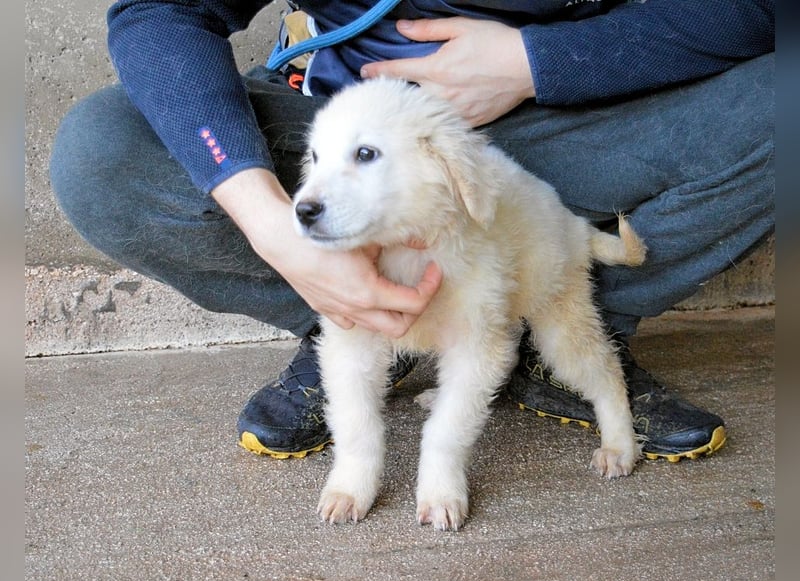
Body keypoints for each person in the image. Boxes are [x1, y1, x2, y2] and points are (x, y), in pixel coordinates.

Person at [50, 0, 774, 462]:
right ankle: (359, 317)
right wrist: (273, 225)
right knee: (102, 152)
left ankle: (558, 334)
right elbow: (161, 10)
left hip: (587, 121)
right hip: (354, 133)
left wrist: (537, 64)